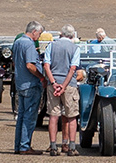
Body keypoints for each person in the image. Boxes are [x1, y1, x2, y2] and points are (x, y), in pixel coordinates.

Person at [44, 25, 83, 155]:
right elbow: (73, 69)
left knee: (53, 116)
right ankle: (71, 146)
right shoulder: (75, 48)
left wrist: (54, 83)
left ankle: (53, 146)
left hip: (53, 83)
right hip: (69, 84)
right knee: (71, 116)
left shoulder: (51, 45)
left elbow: (46, 65)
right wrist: (64, 86)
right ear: (72, 35)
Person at [11, 21, 44, 155]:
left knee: (21, 116)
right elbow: (30, 65)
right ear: (34, 31)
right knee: (29, 117)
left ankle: (18, 145)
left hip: (20, 83)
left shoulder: (18, 42)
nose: (39, 36)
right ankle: (25, 146)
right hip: (30, 84)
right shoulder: (29, 44)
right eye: (39, 33)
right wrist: (41, 77)